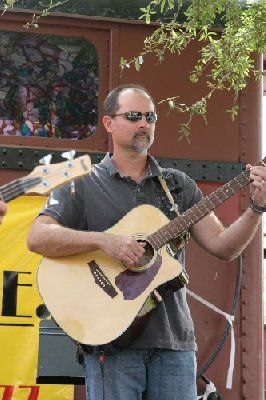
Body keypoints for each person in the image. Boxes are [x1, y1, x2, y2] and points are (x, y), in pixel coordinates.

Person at [27, 84, 266, 400]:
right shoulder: (83, 185)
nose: (144, 123)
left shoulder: (177, 185)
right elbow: (38, 236)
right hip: (111, 344)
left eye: (150, 117)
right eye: (134, 116)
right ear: (109, 123)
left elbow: (223, 246)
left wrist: (256, 208)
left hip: (174, 345)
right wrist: (106, 242)